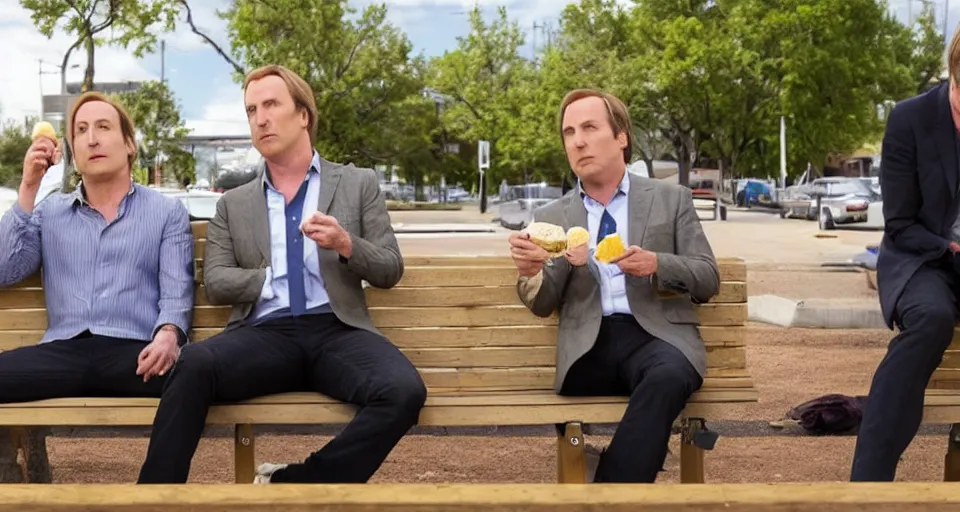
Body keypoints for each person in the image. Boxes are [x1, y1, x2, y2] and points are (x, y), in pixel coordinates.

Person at [138, 64, 427, 484]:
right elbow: (216, 281)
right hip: (264, 335)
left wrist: (345, 243)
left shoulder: (357, 183)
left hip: (337, 331)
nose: (260, 119)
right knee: (193, 363)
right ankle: (152, 499)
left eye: (271, 105)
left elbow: (390, 268)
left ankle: (299, 482)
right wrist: (269, 279)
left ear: (303, 115)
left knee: (403, 391)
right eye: (251, 110)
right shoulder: (233, 204)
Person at [508, 88, 719, 483]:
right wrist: (531, 270)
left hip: (654, 338)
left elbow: (708, 278)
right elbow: (542, 303)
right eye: (569, 132)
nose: (578, 142)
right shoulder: (552, 215)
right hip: (587, 350)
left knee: (668, 376)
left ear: (621, 137)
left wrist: (657, 264)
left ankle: (606, 485)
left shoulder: (671, 200)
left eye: (589, 128)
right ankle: (626, 473)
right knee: (648, 405)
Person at [0, 92, 193, 404]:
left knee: (198, 376)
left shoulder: (166, 212)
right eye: (81, 130)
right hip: (62, 352)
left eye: (103, 127)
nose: (92, 139)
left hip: (136, 353)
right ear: (73, 152)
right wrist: (29, 187)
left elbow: (176, 292)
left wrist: (168, 335)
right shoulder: (49, 213)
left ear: (129, 145)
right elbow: (5, 270)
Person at [850, 32, 960, 482]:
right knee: (932, 319)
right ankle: (869, 482)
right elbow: (899, 222)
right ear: (955, 73)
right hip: (923, 256)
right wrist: (950, 247)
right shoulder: (911, 118)